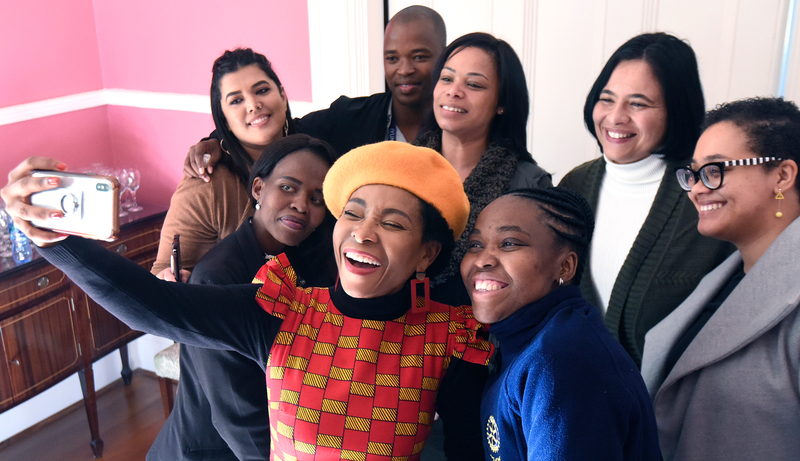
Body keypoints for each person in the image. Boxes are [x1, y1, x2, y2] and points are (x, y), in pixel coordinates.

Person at [3, 142, 493, 461]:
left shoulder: (449, 341)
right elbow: (154, 305)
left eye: (393, 223)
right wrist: (56, 240)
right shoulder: (283, 312)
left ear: (427, 253)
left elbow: (469, 453)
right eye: (354, 213)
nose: (362, 235)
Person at [148, 135, 337, 460]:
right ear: (259, 188)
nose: (302, 205)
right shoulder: (216, 277)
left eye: (317, 198)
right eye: (288, 188)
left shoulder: (313, 259)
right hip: (217, 448)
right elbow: (236, 411)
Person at [559, 32, 734, 367]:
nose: (616, 117)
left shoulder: (706, 196)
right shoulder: (574, 185)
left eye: (638, 104)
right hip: (576, 406)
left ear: (676, 110)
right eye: (607, 99)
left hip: (669, 413)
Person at [641, 97, 800, 461]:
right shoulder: (720, 279)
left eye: (715, 170)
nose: (696, 189)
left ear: (782, 176)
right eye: (693, 174)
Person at [462, 187, 660, 460]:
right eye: (475, 245)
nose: (482, 259)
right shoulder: (535, 338)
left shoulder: (561, 361)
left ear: (565, 267)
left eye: (509, 243)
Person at [184, 5, 447, 179]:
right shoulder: (349, 117)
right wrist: (215, 141)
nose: (404, 69)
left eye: (420, 57)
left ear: (443, 57)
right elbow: (285, 127)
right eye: (392, 58)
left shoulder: (459, 124)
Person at [413, 32, 552, 307]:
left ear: (502, 103)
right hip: (400, 333)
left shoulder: (529, 185)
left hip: (484, 339)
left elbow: (536, 283)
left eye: (474, 84)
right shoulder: (399, 166)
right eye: (447, 78)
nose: (454, 91)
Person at [152, 48, 295, 279]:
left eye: (262, 90)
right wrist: (168, 278)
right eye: (236, 100)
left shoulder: (313, 156)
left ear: (282, 95)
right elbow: (163, 274)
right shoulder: (205, 185)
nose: (253, 104)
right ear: (224, 119)